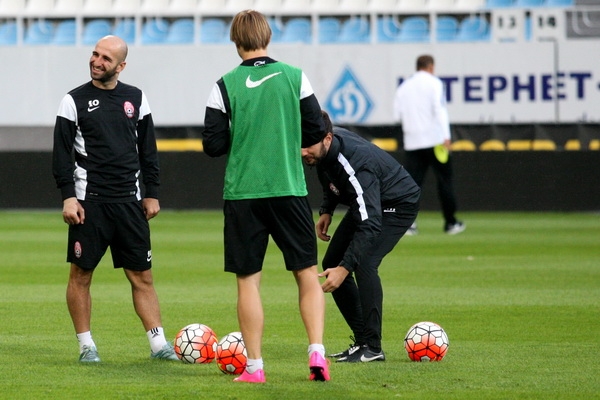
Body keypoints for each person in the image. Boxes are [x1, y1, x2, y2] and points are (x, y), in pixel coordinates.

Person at [202, 10, 329, 383]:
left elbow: (212, 144)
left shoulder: (224, 84)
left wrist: (240, 132)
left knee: (248, 281)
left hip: (244, 193)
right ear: (268, 37)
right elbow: (317, 128)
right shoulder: (295, 77)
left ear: (235, 40)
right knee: (306, 274)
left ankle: (255, 368)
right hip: (289, 188)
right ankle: (317, 353)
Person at [52, 35, 178, 363]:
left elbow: (148, 151)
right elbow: (61, 155)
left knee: (142, 276)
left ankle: (158, 345)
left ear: (121, 66)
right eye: (95, 54)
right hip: (88, 203)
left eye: (106, 58)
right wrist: (68, 197)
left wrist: (151, 193)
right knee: (81, 274)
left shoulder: (135, 98)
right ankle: (86, 346)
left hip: (129, 203)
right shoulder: (73, 100)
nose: (96, 61)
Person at [302, 110, 420, 362]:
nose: (303, 152)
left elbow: (372, 222)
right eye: (300, 145)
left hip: (397, 203)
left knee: (364, 263)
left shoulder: (356, 163)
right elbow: (329, 175)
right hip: (369, 202)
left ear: (327, 138)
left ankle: (374, 348)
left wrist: (345, 268)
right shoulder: (322, 149)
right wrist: (327, 209)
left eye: (307, 146)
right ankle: (362, 341)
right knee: (331, 262)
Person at [393, 54, 465, 235]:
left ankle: (409, 224)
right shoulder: (435, 83)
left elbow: (397, 115)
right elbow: (439, 110)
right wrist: (446, 136)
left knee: (411, 185)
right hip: (435, 141)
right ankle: (451, 223)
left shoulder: (404, 87)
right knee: (445, 182)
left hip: (413, 142)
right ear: (431, 67)